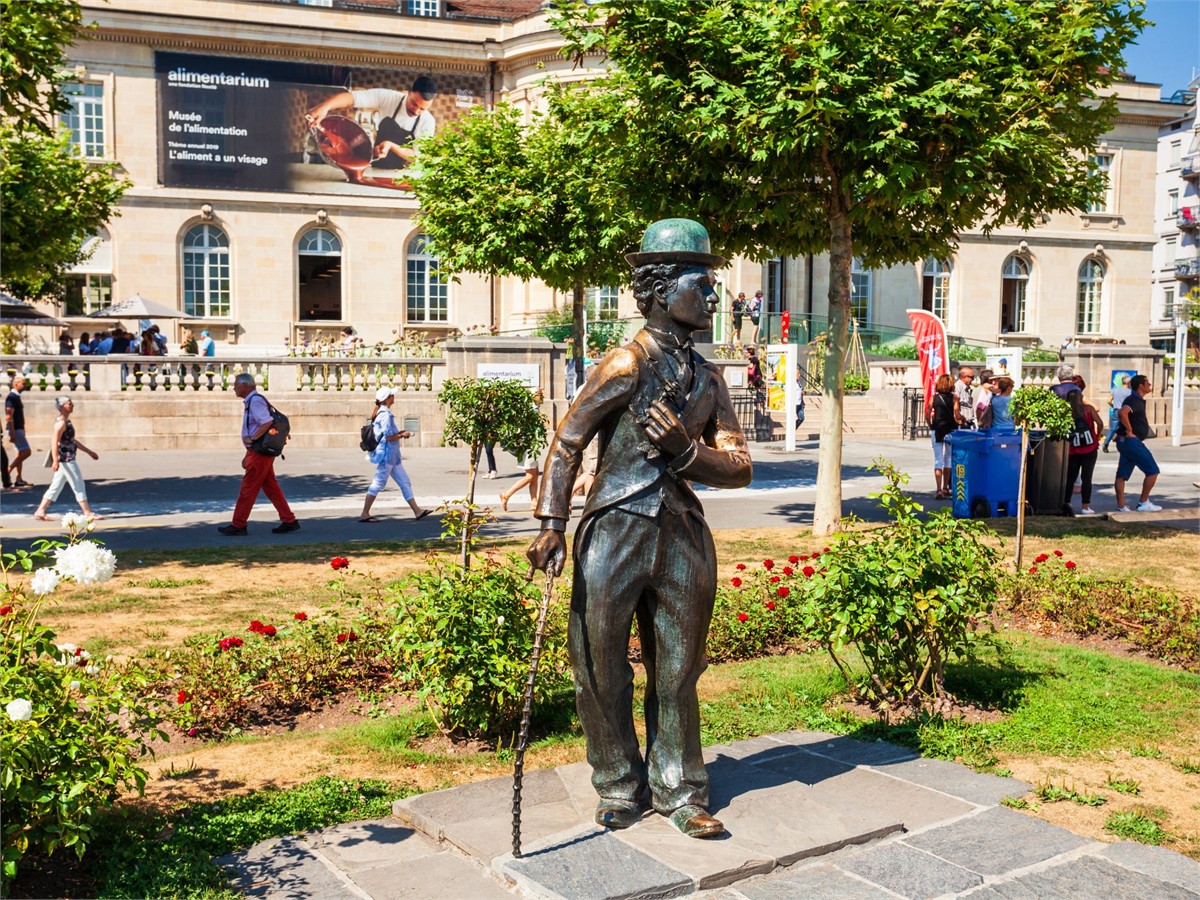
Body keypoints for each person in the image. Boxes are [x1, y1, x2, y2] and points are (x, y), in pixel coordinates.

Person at [525, 218, 752, 840]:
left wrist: (686, 453)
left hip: (681, 534)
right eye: (700, 284)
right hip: (615, 527)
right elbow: (567, 441)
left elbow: (739, 466)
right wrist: (551, 522)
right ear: (656, 289)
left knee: (678, 670)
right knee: (600, 666)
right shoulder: (624, 364)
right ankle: (619, 783)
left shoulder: (710, 379)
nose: (713, 297)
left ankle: (680, 790)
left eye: (713, 285)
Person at [218, 373, 300, 536]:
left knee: (248, 488)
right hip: (259, 452)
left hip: (259, 453)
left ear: (245, 386)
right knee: (271, 487)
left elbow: (266, 421)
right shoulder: (254, 401)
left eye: (236, 384)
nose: (234, 388)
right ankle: (289, 520)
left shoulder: (254, 401)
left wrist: (253, 440)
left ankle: (239, 524)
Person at [306, 76, 438, 170]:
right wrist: (324, 108)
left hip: (404, 175)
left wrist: (391, 146)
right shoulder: (389, 98)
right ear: (409, 93)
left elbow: (418, 156)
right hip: (376, 168)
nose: (416, 110)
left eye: (423, 108)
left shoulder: (427, 121)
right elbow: (352, 98)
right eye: (414, 103)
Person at [358, 387, 430, 522]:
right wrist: (402, 435)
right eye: (392, 395)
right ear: (388, 399)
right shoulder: (385, 415)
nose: (394, 397)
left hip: (393, 457)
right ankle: (365, 513)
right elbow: (388, 437)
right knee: (378, 484)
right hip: (387, 455)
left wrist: (401, 433)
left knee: (405, 482)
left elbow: (389, 435)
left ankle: (417, 511)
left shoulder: (384, 413)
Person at [32, 396, 102, 521]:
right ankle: (87, 512)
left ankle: (40, 510)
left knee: (56, 486)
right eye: (69, 403)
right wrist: (55, 461)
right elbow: (54, 442)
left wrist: (89, 452)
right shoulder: (61, 423)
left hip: (66, 459)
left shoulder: (66, 421)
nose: (72, 405)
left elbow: (72, 441)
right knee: (78, 484)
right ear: (62, 406)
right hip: (66, 460)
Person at [1114, 374, 1161, 513]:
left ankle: (1121, 506)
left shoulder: (1136, 399)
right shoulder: (1134, 399)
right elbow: (1122, 413)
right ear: (1141, 385)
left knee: (1122, 475)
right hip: (1131, 442)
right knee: (1153, 471)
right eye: (1147, 383)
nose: (1150, 385)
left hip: (1125, 441)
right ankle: (1143, 502)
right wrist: (1129, 430)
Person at [926, 372, 957, 499]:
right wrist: (962, 419)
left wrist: (931, 425)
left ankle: (938, 489)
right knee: (948, 458)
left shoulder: (934, 398)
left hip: (937, 428)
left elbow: (927, 414)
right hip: (950, 428)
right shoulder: (955, 398)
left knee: (938, 459)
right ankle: (945, 487)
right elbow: (957, 415)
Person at [5, 375, 32, 489]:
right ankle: (7, 472)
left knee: (20, 453)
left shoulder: (16, 397)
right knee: (27, 452)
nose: (25, 385)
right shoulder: (11, 397)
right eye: (23, 383)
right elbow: (9, 416)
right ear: (15, 384)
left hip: (18, 428)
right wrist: (12, 432)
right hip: (15, 429)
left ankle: (19, 479)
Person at [1103, 374, 1132, 453]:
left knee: (1113, 428)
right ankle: (1126, 445)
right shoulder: (1129, 392)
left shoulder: (1115, 390)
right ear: (1129, 382)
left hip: (1116, 410)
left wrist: (1113, 405)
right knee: (1127, 428)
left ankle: (1106, 443)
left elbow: (1108, 401)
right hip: (1124, 412)